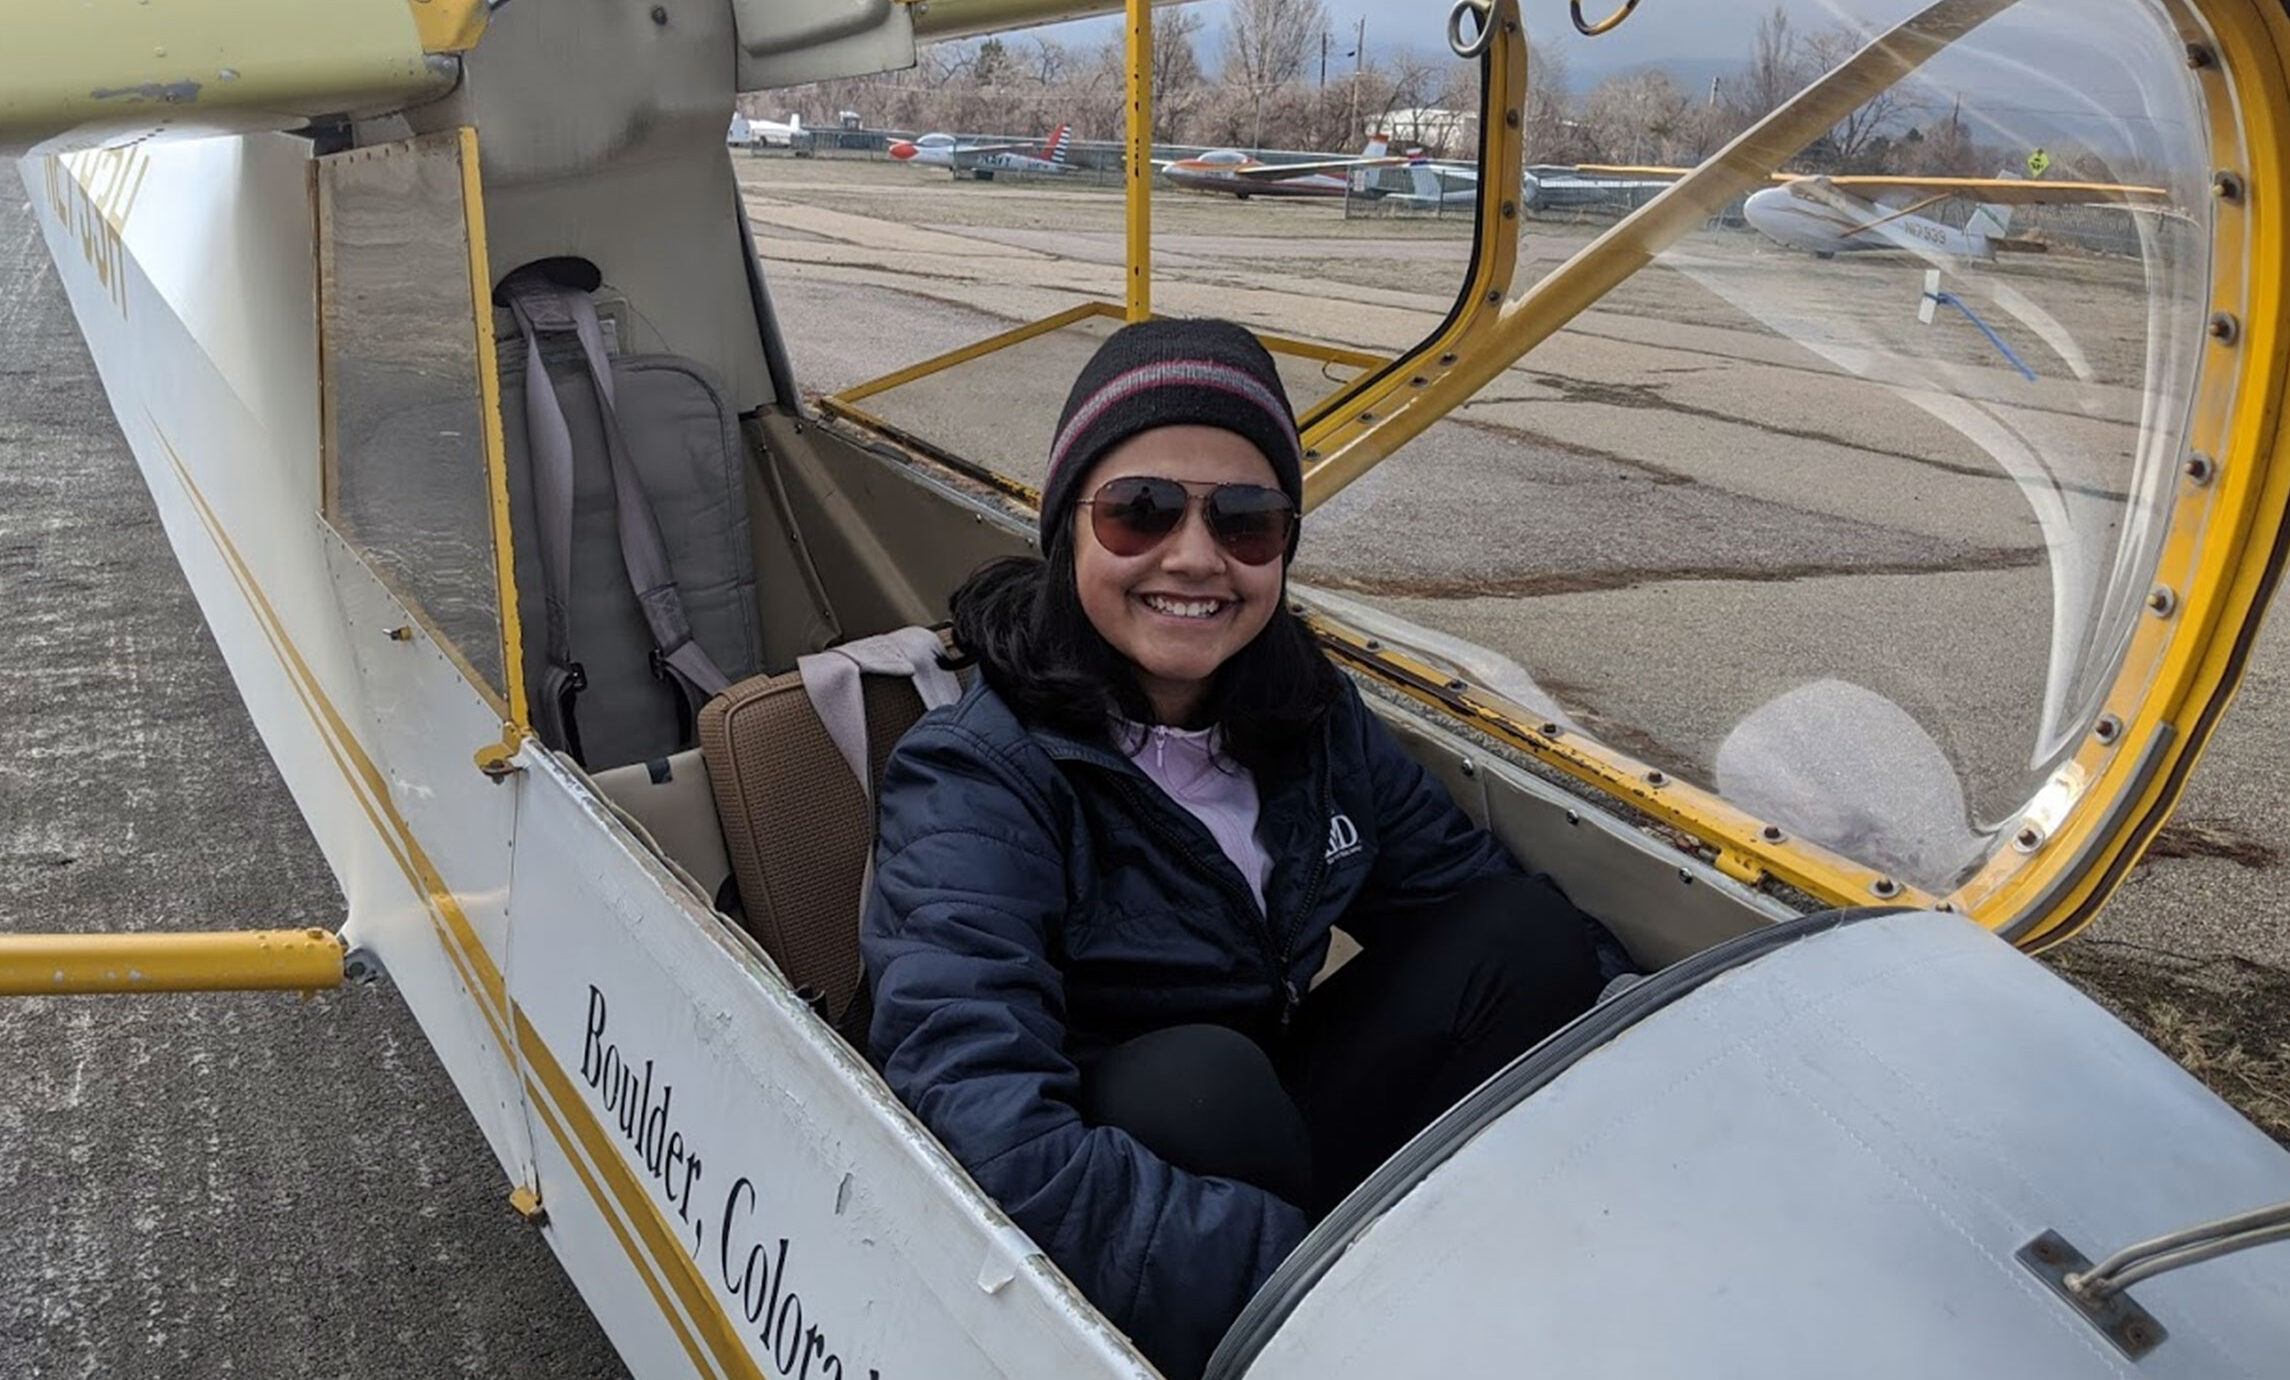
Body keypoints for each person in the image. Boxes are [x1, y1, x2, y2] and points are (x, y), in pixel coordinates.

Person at [861, 318, 1628, 1378]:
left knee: (1528, 935)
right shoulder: (981, 774)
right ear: (1065, 532)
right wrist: (1328, 1282)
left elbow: (1466, 899)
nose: (1193, 556)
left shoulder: (1308, 717)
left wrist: (1656, 1079)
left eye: (1246, 520)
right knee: (1197, 1081)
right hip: (1117, 1153)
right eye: (1138, 512)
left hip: (1270, 1112)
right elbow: (981, 1127)